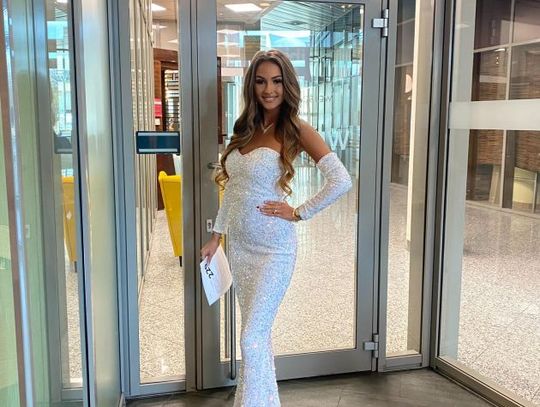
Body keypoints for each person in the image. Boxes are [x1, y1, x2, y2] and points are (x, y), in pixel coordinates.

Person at [200, 49, 352, 407]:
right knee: (258, 336)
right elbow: (233, 190)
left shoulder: (296, 129)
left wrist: (299, 212)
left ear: (288, 85)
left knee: (251, 338)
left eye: (277, 81)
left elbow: (341, 180)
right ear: (251, 86)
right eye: (261, 81)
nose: (269, 89)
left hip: (274, 250)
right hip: (240, 249)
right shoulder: (246, 129)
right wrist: (216, 236)